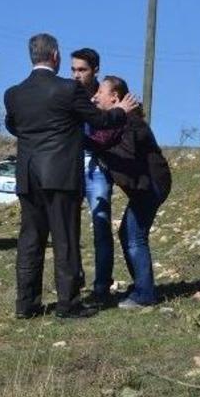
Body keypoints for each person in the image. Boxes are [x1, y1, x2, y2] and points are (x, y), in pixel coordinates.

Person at [4, 33, 137, 320]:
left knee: (30, 239)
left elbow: (13, 126)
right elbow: (99, 120)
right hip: (60, 173)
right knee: (64, 238)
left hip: (27, 173)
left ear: (32, 56)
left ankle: (26, 304)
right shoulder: (67, 89)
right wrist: (120, 111)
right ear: (55, 56)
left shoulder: (14, 94)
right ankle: (68, 303)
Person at [86, 76, 172, 309]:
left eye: (100, 93)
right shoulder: (122, 124)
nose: (95, 97)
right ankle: (142, 287)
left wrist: (92, 143)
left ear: (114, 97)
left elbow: (121, 150)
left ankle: (145, 294)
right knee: (129, 234)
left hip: (150, 186)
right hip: (144, 187)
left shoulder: (131, 123)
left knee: (134, 238)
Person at [70, 48, 115, 304]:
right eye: (73, 69)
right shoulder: (67, 92)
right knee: (70, 226)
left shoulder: (104, 93)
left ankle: (102, 286)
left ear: (95, 69)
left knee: (100, 224)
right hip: (72, 165)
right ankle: (74, 281)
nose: (76, 75)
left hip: (98, 166)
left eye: (82, 70)